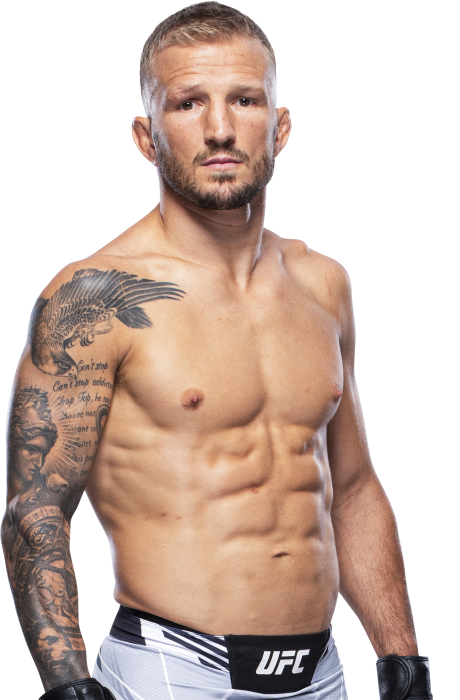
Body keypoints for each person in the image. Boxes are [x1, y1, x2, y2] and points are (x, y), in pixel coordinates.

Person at [2, 3, 434, 699]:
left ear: (280, 125)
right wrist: (61, 679)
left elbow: (352, 488)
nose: (221, 128)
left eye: (245, 99)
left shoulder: (321, 285)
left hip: (321, 674)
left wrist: (400, 654)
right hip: (173, 672)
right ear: (145, 136)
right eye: (188, 103)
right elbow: (37, 507)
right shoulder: (93, 298)